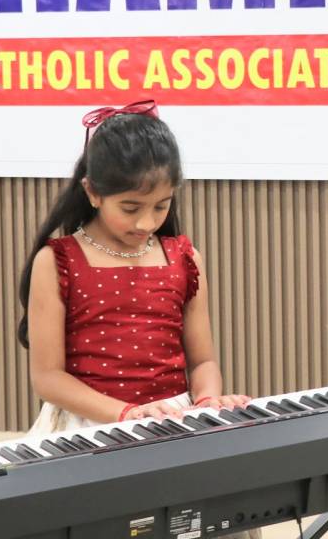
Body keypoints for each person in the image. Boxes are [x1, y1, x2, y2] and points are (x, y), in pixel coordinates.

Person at [17, 100, 261, 537]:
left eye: (161, 206)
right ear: (92, 192)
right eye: (130, 208)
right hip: (91, 427)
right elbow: (48, 378)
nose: (147, 222)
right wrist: (127, 413)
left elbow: (203, 361)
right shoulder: (57, 261)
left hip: (171, 422)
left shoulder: (183, 257)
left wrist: (207, 401)